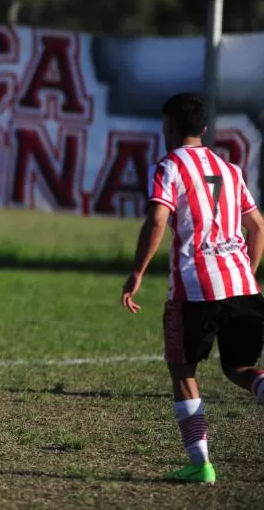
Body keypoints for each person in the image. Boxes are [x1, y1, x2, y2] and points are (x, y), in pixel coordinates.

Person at [121, 92, 264, 484]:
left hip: (195, 290)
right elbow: (258, 226)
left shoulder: (169, 166)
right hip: (242, 288)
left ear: (168, 125)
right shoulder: (230, 169)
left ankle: (200, 464)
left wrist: (136, 273)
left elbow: (156, 221)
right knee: (239, 369)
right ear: (203, 128)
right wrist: (245, 276)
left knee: (182, 371)